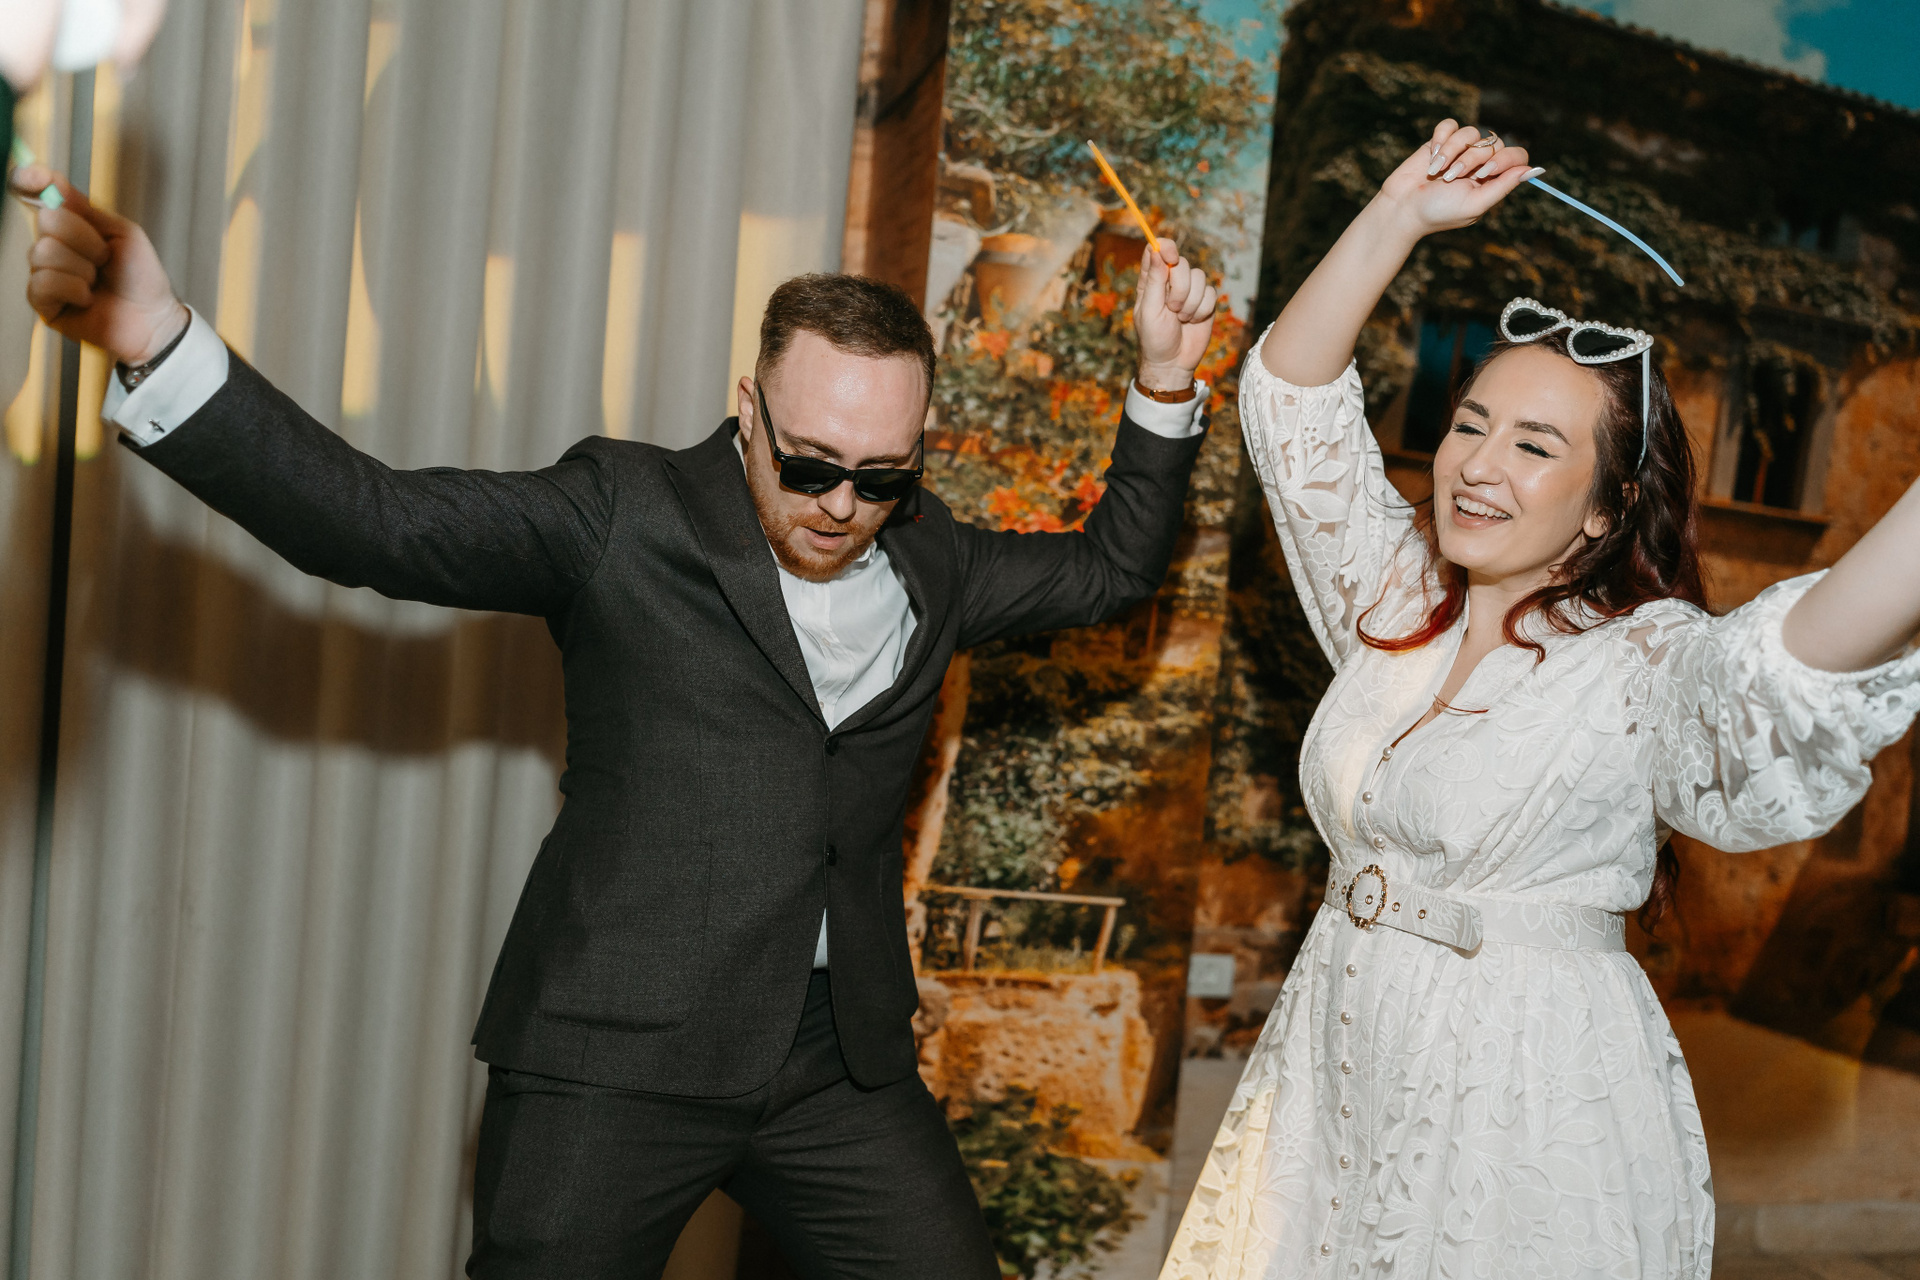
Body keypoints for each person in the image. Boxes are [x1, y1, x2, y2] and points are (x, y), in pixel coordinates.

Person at [15, 162, 1220, 1279]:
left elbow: (1109, 570)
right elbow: (377, 522)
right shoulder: (621, 514)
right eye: (809, 466)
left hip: (832, 1062)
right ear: (746, 410)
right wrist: (159, 341)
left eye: (882, 476)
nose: (842, 505)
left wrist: (1164, 378)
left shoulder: (934, 558)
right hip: (617, 1053)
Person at [1160, 120, 1920, 1279]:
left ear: (1606, 508)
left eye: (1533, 445)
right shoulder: (1398, 601)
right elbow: (1290, 401)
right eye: (1469, 424)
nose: (1477, 463)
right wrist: (1401, 212)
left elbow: (1794, 660)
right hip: (1333, 1068)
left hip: (1523, 1107)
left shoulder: (1640, 661)